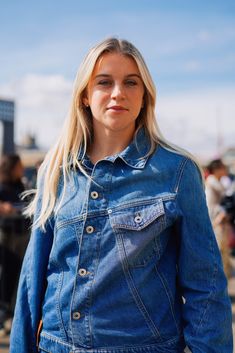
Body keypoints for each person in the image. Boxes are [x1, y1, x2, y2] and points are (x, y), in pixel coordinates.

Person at [10, 38, 232, 353]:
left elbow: (205, 286)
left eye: (131, 82)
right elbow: (32, 282)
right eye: (104, 82)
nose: (118, 92)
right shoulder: (55, 171)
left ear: (145, 95)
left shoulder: (177, 172)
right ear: (85, 96)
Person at [0, 154, 30, 336]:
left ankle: (10, 315)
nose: (22, 169)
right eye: (19, 166)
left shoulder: (21, 185)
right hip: (6, 237)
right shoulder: (1, 187)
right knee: (6, 275)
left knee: (18, 275)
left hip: (22, 235)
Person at [205, 159, 232, 278]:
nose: (225, 170)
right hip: (215, 221)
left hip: (217, 220)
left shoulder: (216, 181)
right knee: (219, 250)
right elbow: (226, 195)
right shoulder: (212, 180)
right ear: (216, 169)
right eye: (223, 167)